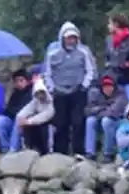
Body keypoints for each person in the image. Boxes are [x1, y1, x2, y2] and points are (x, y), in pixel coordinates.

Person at [43, 21, 95, 156]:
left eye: (74, 37)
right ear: (62, 38)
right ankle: (60, 153)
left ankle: (79, 152)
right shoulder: (52, 53)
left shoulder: (83, 52)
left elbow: (90, 70)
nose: (71, 40)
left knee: (78, 122)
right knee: (60, 124)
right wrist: (52, 88)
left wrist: (84, 85)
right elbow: (47, 73)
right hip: (59, 93)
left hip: (78, 91)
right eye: (68, 37)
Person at [83, 75, 126, 160]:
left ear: (114, 86)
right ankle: (90, 152)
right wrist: (102, 108)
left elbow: (113, 112)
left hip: (118, 122)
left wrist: (98, 111)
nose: (107, 89)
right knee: (90, 120)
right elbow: (87, 111)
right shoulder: (96, 94)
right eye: (105, 86)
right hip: (101, 119)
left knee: (106, 121)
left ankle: (108, 153)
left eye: (110, 86)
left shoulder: (121, 95)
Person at [0, 69, 32, 153]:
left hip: (27, 122)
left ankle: (13, 150)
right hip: (12, 119)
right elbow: (9, 109)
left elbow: (26, 110)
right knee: (0, 120)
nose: (18, 83)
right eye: (16, 81)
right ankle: (5, 148)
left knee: (18, 118)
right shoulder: (15, 94)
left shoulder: (32, 92)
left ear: (27, 81)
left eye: (21, 80)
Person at [15, 78, 55, 154]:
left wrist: (28, 121)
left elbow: (45, 116)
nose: (40, 95)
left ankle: (47, 151)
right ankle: (28, 149)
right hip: (36, 124)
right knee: (26, 126)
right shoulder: (35, 101)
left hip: (49, 125)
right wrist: (20, 118)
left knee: (45, 128)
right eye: (38, 93)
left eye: (41, 92)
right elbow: (25, 111)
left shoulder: (51, 102)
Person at [105, 13, 129, 101]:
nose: (108, 26)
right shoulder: (108, 40)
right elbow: (107, 58)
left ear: (116, 24)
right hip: (114, 81)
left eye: (110, 23)